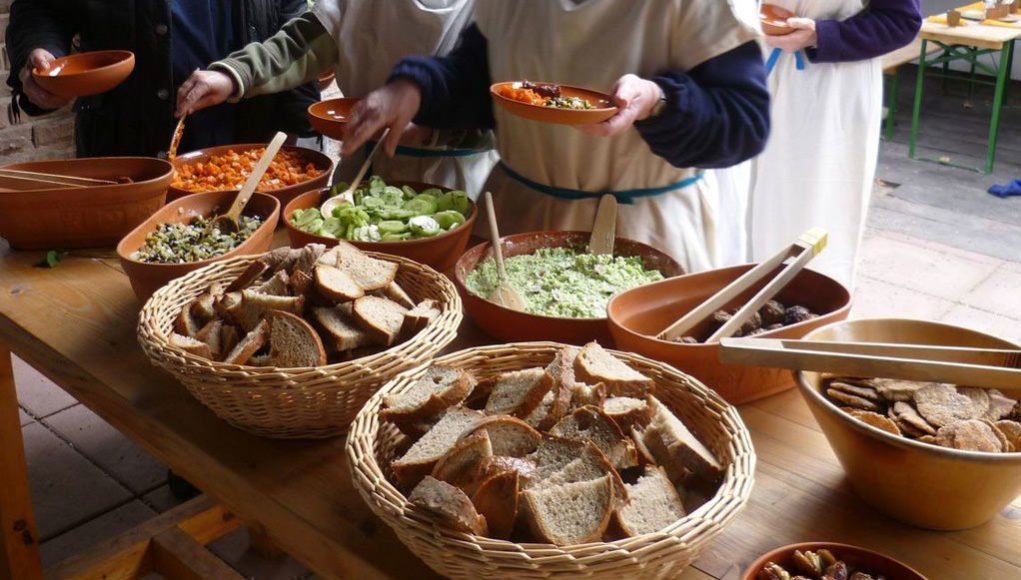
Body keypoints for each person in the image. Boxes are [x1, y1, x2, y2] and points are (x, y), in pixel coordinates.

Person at [337, 0, 771, 272]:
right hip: (515, 223)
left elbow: (744, 123)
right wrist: (414, 88)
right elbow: (477, 77)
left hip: (642, 235)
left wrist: (659, 101)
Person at [174, 0, 498, 196]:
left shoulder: (501, 10)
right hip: (362, 176)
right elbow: (299, 45)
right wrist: (234, 75)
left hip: (457, 184)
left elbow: (509, 110)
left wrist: (435, 130)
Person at [742, 0, 921, 287]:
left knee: (810, 206)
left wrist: (821, 35)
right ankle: (731, 298)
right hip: (750, 72)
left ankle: (802, 302)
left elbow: (901, 22)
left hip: (829, 87)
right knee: (740, 203)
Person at [6, 0, 319, 158]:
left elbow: (291, 18)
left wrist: (296, 124)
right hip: (126, 148)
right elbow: (40, 9)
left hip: (249, 145)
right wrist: (41, 54)